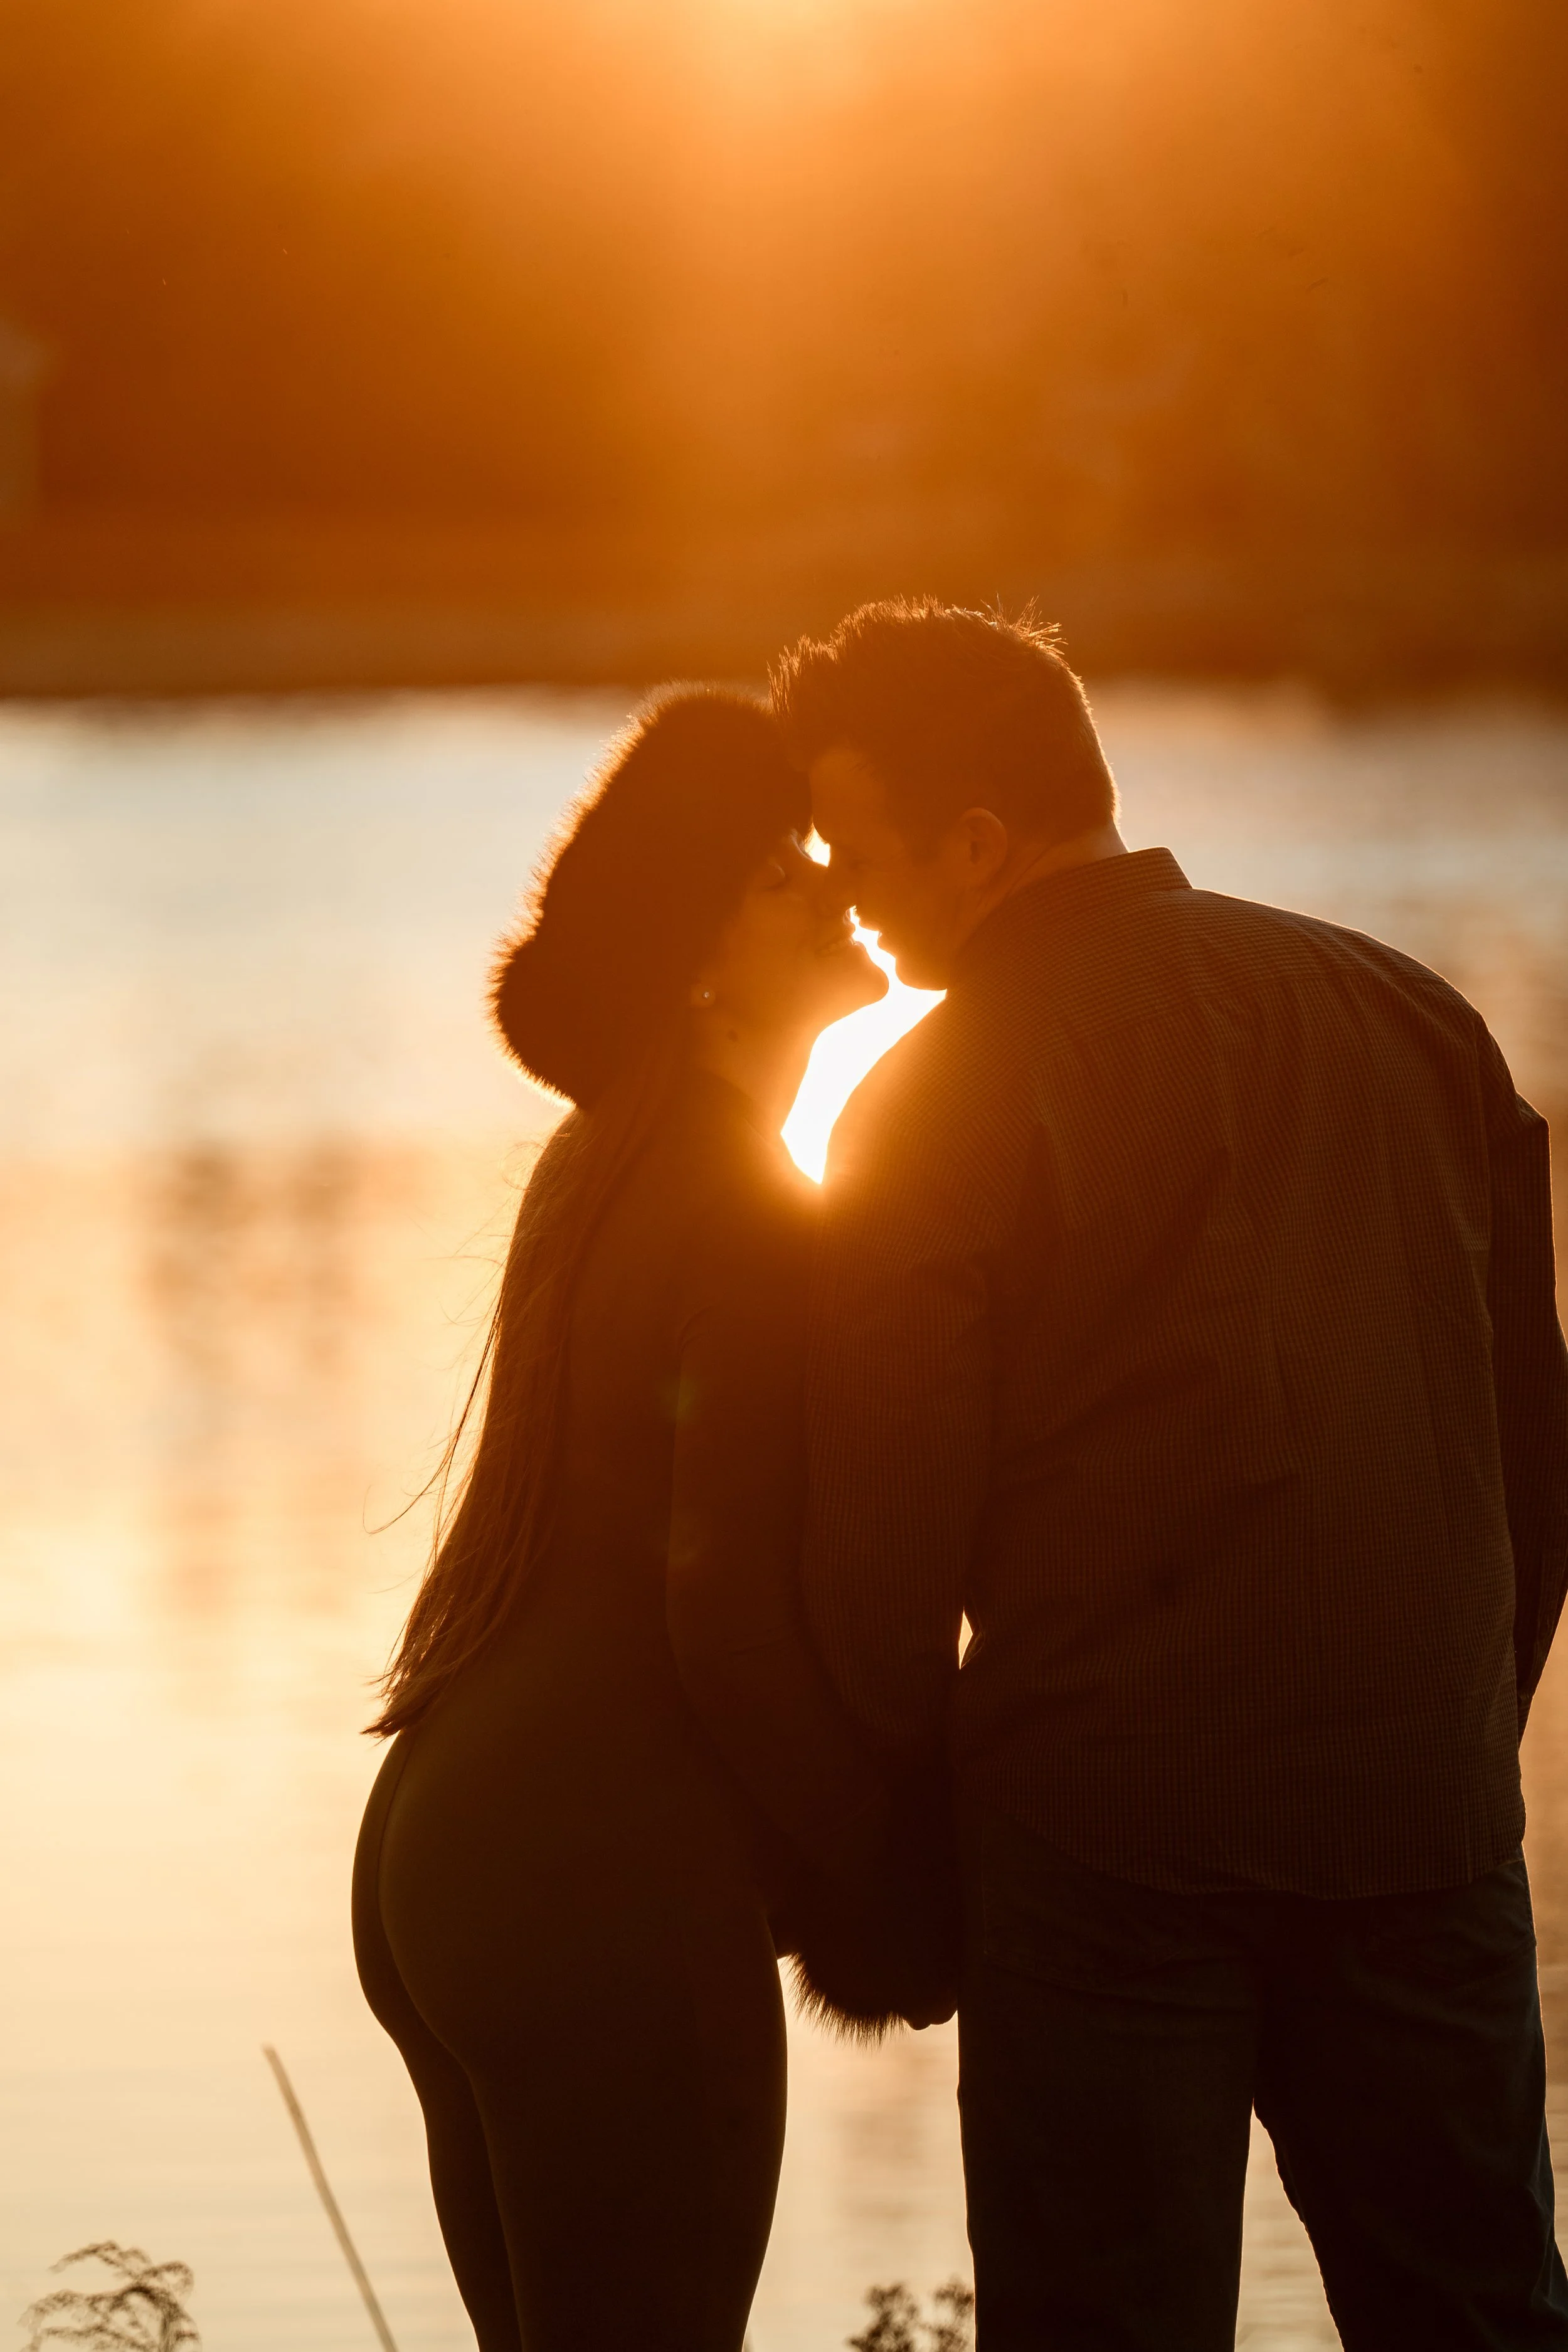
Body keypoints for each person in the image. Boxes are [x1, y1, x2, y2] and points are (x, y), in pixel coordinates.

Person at [775, 598, 1568, 2351]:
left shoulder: (933, 1097)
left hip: (1100, 1847)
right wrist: (1444, 1724)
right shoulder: (1416, 1020)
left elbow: (882, 1554)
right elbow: (1531, 1454)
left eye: (856, 850)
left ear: (975, 841)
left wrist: (889, 1877)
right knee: (1480, 2319)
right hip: (1417, 1821)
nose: (846, 898)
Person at [352, 687, 950, 2352]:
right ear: (699, 963)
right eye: (780, 875)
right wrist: (889, 1882)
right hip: (595, 1874)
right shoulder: (751, 1200)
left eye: (823, 852)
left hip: (441, 1841)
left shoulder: (602, 1164)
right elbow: (719, 1604)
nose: (832, 884)